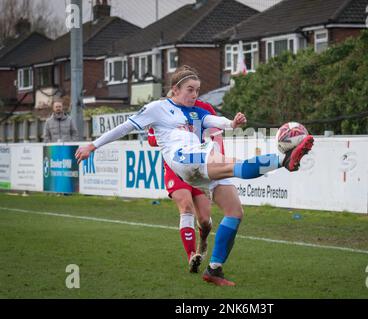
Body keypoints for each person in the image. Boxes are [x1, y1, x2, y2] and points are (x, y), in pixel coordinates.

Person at [75, 66, 314, 286]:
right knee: (232, 165)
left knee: (235, 212)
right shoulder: (157, 108)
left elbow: (216, 121)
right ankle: (283, 161)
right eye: (190, 90)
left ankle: (214, 269)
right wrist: (92, 146)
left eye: (197, 90)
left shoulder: (196, 112)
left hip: (197, 161)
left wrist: (233, 122)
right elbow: (125, 127)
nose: (194, 95)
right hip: (183, 158)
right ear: (175, 89)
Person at [148, 98, 225, 274]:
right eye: (187, 88)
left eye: (194, 89)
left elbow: (216, 134)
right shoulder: (162, 109)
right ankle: (191, 255)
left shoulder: (204, 108)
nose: (190, 93)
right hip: (175, 166)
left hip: (200, 166)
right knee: (186, 206)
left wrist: (217, 160)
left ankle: (203, 241)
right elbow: (152, 139)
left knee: (205, 221)